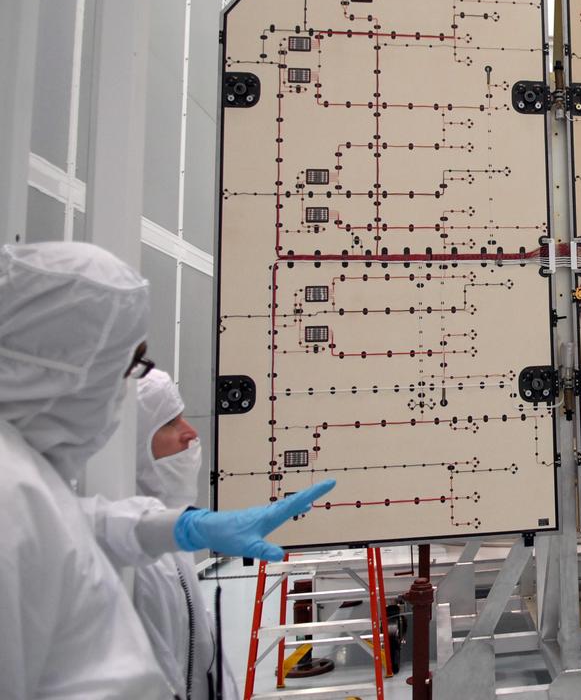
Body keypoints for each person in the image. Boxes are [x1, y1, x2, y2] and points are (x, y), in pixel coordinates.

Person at [0, 242, 333, 699]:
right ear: (72, 367)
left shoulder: (27, 476)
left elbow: (68, 528)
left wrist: (183, 527)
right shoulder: (10, 490)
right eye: (130, 365)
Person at [134, 369, 238, 700]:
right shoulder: (129, 558)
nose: (191, 433)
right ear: (131, 442)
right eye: (170, 424)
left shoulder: (167, 540)